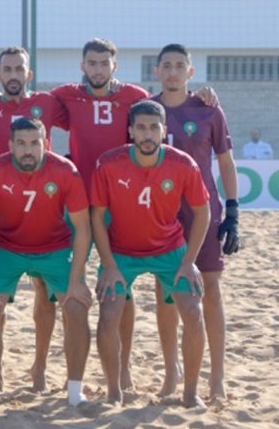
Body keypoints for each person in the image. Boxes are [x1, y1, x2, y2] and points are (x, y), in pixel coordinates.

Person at [92, 100, 210, 408]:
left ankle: (190, 393)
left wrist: (189, 262)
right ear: (130, 131)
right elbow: (96, 217)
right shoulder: (109, 164)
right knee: (108, 315)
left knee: (193, 313)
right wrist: (108, 265)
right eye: (141, 128)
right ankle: (114, 392)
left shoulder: (183, 164)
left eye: (154, 128)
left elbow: (203, 213)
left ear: (164, 131)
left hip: (170, 250)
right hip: (121, 252)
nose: (147, 134)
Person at [0, 117, 92, 406]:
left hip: (54, 248)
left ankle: (75, 391)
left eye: (35, 143)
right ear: (10, 146)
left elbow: (83, 229)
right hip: (8, 248)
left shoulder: (65, 172)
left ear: (46, 144)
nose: (29, 150)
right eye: (22, 144)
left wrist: (76, 281)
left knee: (76, 306)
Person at [0, 46, 70, 392]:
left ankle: (39, 367)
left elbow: (87, 113)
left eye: (19, 69)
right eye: (7, 69)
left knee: (45, 291)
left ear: (29, 74)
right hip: (2, 201)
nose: (13, 74)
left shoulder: (49, 102)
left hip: (45, 200)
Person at [153, 43, 240, 401]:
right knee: (165, 292)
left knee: (212, 290)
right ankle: (171, 372)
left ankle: (216, 377)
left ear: (190, 72)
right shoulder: (146, 110)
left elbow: (225, 163)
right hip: (159, 214)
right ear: (157, 71)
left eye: (179, 66)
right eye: (166, 65)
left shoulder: (208, 110)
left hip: (203, 213)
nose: (172, 71)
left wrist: (233, 211)